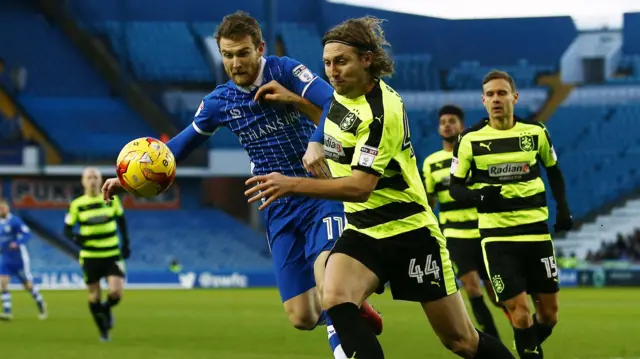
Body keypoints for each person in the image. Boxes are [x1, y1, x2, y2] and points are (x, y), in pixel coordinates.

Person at [101, 11, 381, 358]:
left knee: (328, 281)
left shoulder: (284, 71)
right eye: (228, 55)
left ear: (259, 47)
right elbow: (180, 145)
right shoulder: (220, 101)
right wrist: (129, 178)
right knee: (302, 316)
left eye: (243, 53)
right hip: (277, 205)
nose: (235, 62)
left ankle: (346, 328)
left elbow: (334, 102)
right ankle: (349, 309)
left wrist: (316, 141)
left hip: (317, 191)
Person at [244, 16, 515, 359]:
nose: (332, 72)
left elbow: (360, 187)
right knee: (334, 297)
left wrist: (291, 185)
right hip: (364, 230)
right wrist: (298, 104)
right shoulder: (343, 96)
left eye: (341, 62)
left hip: (409, 232)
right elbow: (338, 129)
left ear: (366, 60)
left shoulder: (382, 112)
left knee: (461, 341)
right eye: (327, 63)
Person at [449, 70, 573, 359]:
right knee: (520, 313)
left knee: (550, 315)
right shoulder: (469, 139)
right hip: (497, 238)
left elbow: (553, 171)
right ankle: (526, 345)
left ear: (514, 97)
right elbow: (456, 187)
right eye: (490, 94)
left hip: (537, 233)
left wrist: (563, 208)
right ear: (483, 101)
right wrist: (479, 195)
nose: (496, 99)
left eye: (502, 93)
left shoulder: (536, 132)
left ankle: (524, 344)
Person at [422, 104, 503, 340]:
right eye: (443, 121)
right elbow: (430, 201)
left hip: (483, 231)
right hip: (455, 235)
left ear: (462, 126)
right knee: (471, 287)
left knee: (497, 295)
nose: (447, 125)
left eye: (452, 120)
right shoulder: (431, 163)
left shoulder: (474, 155)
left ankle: (522, 330)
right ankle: (495, 344)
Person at [64, 167, 131, 342]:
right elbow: (67, 229)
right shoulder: (77, 204)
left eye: (95, 177)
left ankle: (107, 308)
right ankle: (103, 330)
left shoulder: (111, 199)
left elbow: (122, 221)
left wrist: (126, 244)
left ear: (101, 180)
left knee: (116, 293)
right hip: (90, 256)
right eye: (89, 177)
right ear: (83, 181)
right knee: (94, 296)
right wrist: (76, 238)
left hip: (112, 253)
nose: (92, 180)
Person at [0, 198, 47, 321]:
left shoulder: (15, 221)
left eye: (3, 208)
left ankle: (40, 302)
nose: (1, 210)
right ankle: (7, 312)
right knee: (3, 283)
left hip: (19, 258)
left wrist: (17, 242)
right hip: (5, 258)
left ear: (7, 208)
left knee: (27, 285)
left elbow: (27, 233)